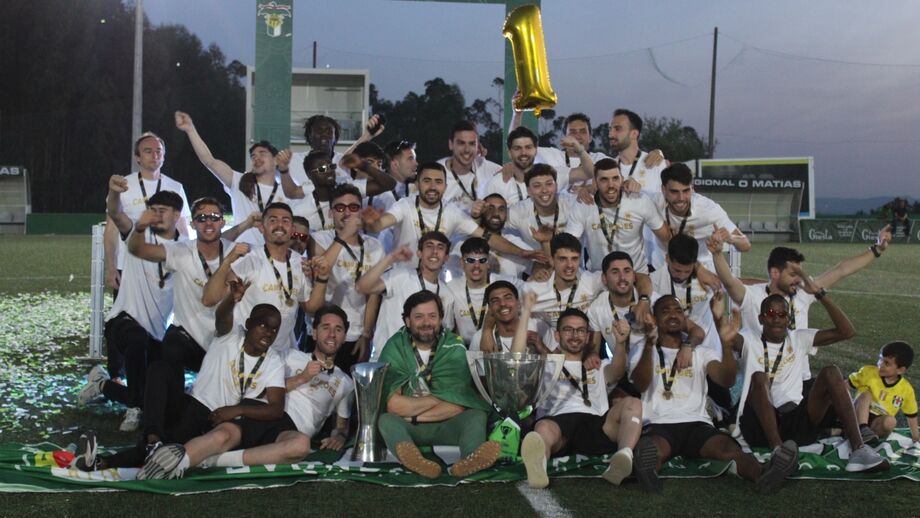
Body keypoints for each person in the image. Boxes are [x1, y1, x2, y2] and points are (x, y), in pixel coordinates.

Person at [74, 299, 290, 476]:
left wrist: (238, 410)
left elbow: (275, 409)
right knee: (159, 369)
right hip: (193, 402)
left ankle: (102, 462)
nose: (269, 333)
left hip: (218, 421)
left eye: (274, 329)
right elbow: (222, 317)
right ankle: (152, 440)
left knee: (172, 444)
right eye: (263, 325)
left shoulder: (274, 361)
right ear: (249, 323)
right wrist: (232, 298)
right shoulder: (230, 337)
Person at [630, 295, 797, 494]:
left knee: (730, 449)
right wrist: (650, 344)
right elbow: (640, 384)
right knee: (651, 449)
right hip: (659, 423)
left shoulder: (700, 351)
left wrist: (726, 345)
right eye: (665, 311)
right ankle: (648, 473)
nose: (673, 315)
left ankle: (764, 475)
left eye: (677, 310)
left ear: (684, 318)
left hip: (697, 424)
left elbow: (726, 380)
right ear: (655, 319)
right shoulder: (641, 349)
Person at [731, 279, 890, 473]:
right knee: (759, 377)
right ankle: (778, 452)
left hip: (796, 424)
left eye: (782, 314)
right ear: (761, 318)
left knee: (831, 372)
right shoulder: (748, 337)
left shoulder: (799, 338)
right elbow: (728, 339)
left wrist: (821, 296)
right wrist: (721, 322)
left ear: (789, 318)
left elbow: (847, 332)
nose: (776, 319)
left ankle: (859, 450)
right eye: (771, 314)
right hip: (758, 426)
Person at [708, 226, 893, 380]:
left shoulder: (803, 293)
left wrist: (877, 249)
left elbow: (842, 270)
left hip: (800, 379)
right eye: (793, 274)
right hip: (762, 380)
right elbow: (729, 281)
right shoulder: (752, 296)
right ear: (775, 273)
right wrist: (717, 254)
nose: (798, 280)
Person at [118, 198, 256, 394]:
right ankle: (173, 402)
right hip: (189, 338)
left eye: (214, 217)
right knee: (170, 350)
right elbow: (137, 249)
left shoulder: (242, 252)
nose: (208, 222)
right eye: (201, 218)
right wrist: (139, 228)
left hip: (226, 341)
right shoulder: (182, 251)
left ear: (223, 222)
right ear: (192, 224)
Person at [194, 305, 356, 470]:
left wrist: (339, 437)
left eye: (338, 329)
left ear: (344, 337)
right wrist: (302, 378)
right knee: (221, 436)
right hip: (263, 412)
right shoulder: (289, 356)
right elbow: (259, 390)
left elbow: (341, 427)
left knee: (301, 446)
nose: (331, 334)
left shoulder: (345, 382)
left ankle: (217, 461)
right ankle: (181, 458)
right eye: (325, 328)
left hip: (291, 432)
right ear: (314, 333)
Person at [80, 182, 185, 432]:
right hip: (123, 322)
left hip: (157, 333)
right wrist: (114, 192)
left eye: (163, 210)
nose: (157, 215)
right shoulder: (139, 234)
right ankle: (134, 408)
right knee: (136, 338)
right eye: (153, 209)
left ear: (177, 215)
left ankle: (103, 386)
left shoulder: (184, 249)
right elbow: (116, 214)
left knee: (166, 400)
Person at [515, 297, 643, 488]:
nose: (575, 335)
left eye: (581, 330)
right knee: (543, 429)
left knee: (633, 403)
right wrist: (525, 313)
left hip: (597, 425)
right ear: (557, 336)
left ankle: (623, 457)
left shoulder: (598, 365)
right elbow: (516, 360)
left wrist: (621, 343)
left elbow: (617, 372)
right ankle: (538, 465)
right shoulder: (545, 364)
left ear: (588, 336)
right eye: (568, 330)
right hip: (558, 425)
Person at [376, 291, 500, 479]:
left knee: (475, 415)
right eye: (419, 317)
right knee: (386, 421)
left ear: (441, 319)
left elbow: (457, 405)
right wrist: (439, 398)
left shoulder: (454, 347)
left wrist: (414, 416)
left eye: (432, 316)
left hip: (446, 424)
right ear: (407, 321)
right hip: (408, 427)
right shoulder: (394, 346)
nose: (427, 322)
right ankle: (415, 460)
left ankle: (471, 459)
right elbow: (393, 405)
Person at [362, 161, 546, 269]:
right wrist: (373, 223)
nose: (433, 187)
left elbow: (488, 237)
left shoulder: (452, 212)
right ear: (418, 184)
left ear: (445, 186)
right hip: (403, 279)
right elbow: (381, 224)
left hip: (436, 282)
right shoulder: (404, 205)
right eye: (427, 181)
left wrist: (522, 252)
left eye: (438, 182)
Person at [202, 202, 329, 352]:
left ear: (292, 229)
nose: (280, 225)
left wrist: (322, 278)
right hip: (244, 351)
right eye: (273, 220)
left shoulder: (299, 263)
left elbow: (311, 308)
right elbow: (209, 299)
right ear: (262, 228)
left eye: (286, 221)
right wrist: (227, 262)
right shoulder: (249, 259)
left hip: (280, 352)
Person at [175, 111, 285, 245]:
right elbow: (209, 161)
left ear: (275, 160)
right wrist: (190, 130)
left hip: (274, 256)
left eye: (262, 153)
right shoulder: (240, 182)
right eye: (253, 156)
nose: (257, 158)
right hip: (242, 256)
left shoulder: (287, 192)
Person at [103, 132, 191, 294]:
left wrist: (185, 264)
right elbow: (111, 231)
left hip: (165, 266)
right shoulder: (122, 186)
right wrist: (111, 267)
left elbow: (183, 230)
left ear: (164, 156)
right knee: (128, 317)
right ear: (138, 157)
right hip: (129, 265)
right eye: (148, 151)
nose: (154, 155)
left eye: (159, 151)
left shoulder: (175, 187)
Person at [311, 184, 386, 370]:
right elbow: (322, 269)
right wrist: (344, 235)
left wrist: (366, 335)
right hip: (323, 332)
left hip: (356, 335)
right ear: (330, 213)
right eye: (340, 208)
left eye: (353, 207)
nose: (347, 213)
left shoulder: (375, 246)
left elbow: (373, 296)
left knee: (352, 395)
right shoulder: (319, 239)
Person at [355, 231, 455, 356]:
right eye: (429, 246)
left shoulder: (448, 295)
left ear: (446, 257)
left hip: (424, 367)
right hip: (389, 360)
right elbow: (362, 287)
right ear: (419, 253)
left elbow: (443, 333)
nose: (434, 251)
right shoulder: (400, 276)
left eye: (440, 247)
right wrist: (390, 258)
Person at [565, 158, 670, 273]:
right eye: (604, 180)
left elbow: (665, 237)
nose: (611, 185)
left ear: (622, 180)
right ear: (595, 182)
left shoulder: (640, 200)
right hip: (599, 274)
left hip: (636, 273)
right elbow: (569, 244)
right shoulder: (584, 203)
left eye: (615, 178)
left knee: (645, 288)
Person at [649, 162, 750, 270]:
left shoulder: (709, 210)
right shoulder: (652, 203)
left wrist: (731, 238)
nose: (681, 198)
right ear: (663, 190)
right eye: (674, 192)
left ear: (692, 188)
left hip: (702, 270)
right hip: (663, 267)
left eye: (686, 191)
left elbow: (746, 244)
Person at [484, 126, 593, 204]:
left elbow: (589, 172)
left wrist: (580, 149)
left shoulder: (552, 174)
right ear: (509, 152)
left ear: (536, 150)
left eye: (528, 147)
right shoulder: (497, 183)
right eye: (517, 148)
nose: (523, 153)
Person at [443, 237, 521, 345]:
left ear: (488, 262)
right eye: (470, 260)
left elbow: (537, 291)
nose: (476, 266)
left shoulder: (506, 283)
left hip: (497, 347)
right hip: (464, 349)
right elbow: (447, 328)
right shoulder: (451, 287)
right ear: (462, 263)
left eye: (482, 260)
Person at [849, 341, 919, 447]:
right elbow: (843, 386)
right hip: (856, 414)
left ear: (900, 370)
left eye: (886, 363)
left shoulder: (906, 390)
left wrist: (916, 437)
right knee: (866, 395)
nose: (880, 365)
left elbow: (911, 414)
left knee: (891, 422)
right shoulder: (868, 372)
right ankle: (861, 429)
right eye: (880, 359)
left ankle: (870, 438)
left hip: (876, 422)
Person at [470, 280, 547, 353]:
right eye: (495, 301)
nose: (502, 303)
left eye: (508, 298)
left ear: (518, 302)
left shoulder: (539, 327)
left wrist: (543, 348)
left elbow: (557, 362)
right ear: (490, 308)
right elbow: (474, 366)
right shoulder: (479, 338)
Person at [438, 120, 501, 207]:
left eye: (472, 144)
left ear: (477, 146)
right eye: (461, 143)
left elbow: (513, 169)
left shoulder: (485, 167)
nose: (467, 150)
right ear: (451, 144)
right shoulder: (436, 173)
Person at [607, 109, 669, 196]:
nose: (610, 134)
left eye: (617, 129)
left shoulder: (657, 164)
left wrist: (640, 193)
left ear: (634, 134)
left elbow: (669, 202)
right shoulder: (607, 169)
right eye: (610, 129)